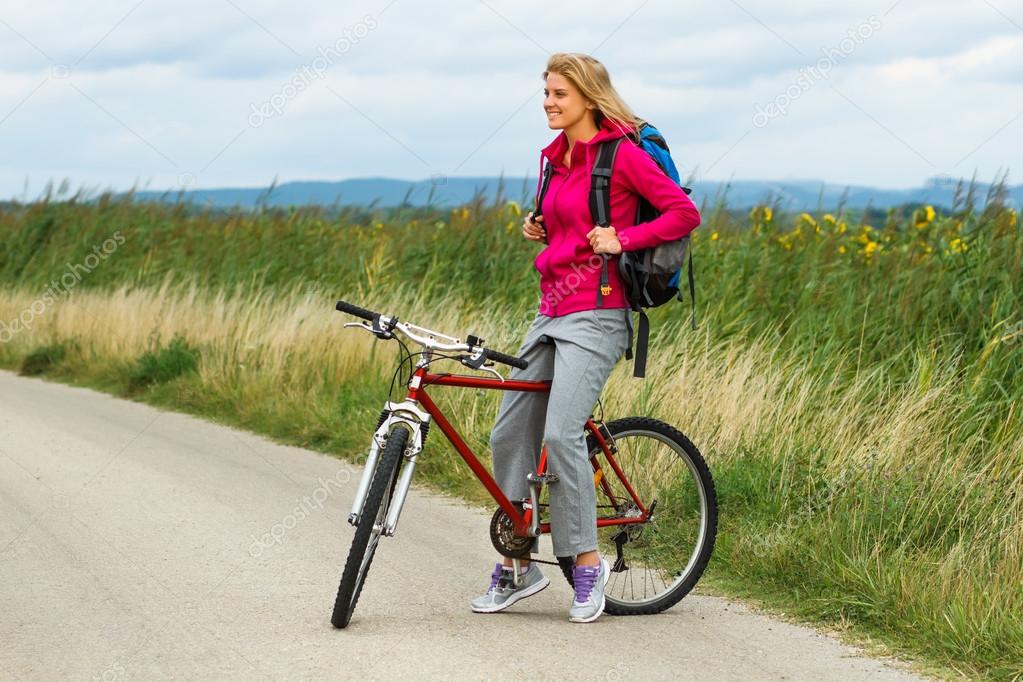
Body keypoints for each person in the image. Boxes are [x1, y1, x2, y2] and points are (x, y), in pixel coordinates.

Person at [470, 52, 701, 623]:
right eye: (545, 93)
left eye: (559, 94)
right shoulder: (554, 159)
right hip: (551, 307)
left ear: (589, 99)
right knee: (508, 432)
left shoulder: (620, 154)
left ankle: (589, 567)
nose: (548, 102)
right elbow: (568, 220)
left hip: (600, 313)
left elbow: (684, 212)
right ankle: (520, 566)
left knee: (562, 431)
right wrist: (540, 226)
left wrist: (623, 238)